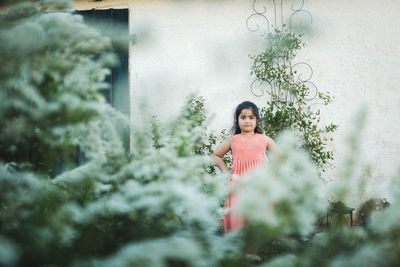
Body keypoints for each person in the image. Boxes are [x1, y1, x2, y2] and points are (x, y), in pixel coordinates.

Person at [213, 101, 277, 233]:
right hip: (238, 186)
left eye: (251, 117)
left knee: (256, 219)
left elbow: (282, 156)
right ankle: (238, 248)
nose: (247, 121)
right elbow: (216, 155)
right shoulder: (232, 140)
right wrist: (225, 170)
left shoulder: (264, 139)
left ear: (257, 120)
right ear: (237, 120)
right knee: (239, 218)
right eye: (243, 117)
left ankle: (252, 251)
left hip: (259, 185)